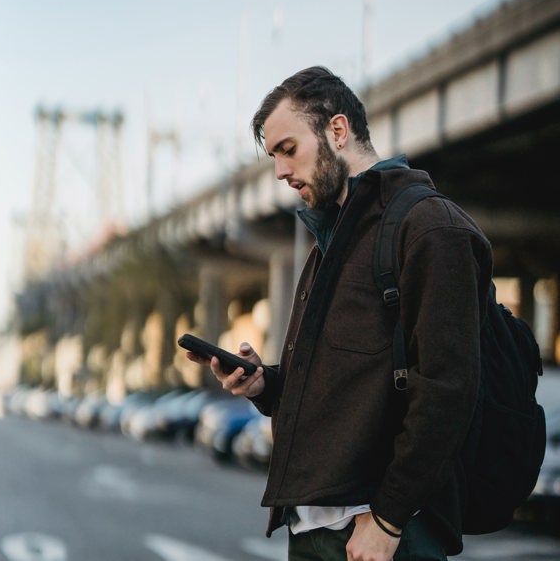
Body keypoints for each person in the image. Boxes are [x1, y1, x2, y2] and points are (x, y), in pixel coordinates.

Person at [186, 66, 493, 561]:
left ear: (338, 131)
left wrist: (390, 520)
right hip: (311, 529)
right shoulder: (331, 241)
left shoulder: (430, 227)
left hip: (380, 534)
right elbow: (348, 382)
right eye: (274, 157)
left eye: (288, 149)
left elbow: (449, 388)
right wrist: (265, 384)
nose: (280, 171)